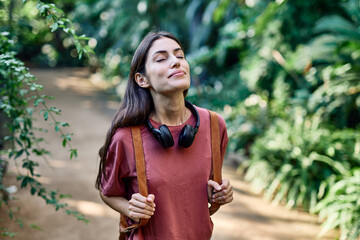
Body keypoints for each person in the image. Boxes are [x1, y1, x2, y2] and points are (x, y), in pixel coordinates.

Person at [96, 31, 233, 240]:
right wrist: (131, 209)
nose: (176, 63)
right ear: (142, 80)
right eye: (161, 58)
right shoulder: (125, 138)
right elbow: (108, 192)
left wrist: (219, 194)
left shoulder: (214, 125)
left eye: (179, 56)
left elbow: (203, 187)